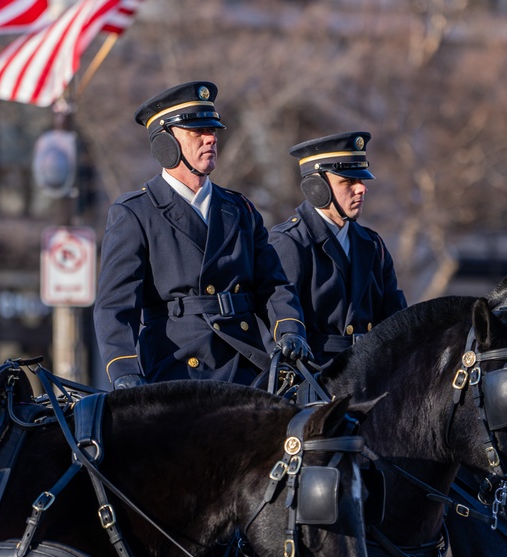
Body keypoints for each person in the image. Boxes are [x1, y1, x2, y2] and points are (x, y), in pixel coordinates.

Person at [94, 81, 311, 389]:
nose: (211, 139)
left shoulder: (241, 209)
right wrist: (124, 370)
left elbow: (273, 284)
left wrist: (289, 329)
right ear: (165, 144)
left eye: (213, 132)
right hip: (175, 366)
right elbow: (115, 305)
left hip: (244, 361)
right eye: (198, 133)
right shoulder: (135, 212)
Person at [269, 131, 407, 367]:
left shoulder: (372, 245)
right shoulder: (289, 242)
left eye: (361, 180)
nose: (361, 189)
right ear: (316, 187)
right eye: (348, 181)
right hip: (314, 375)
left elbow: (397, 319)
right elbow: (281, 307)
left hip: (370, 371)